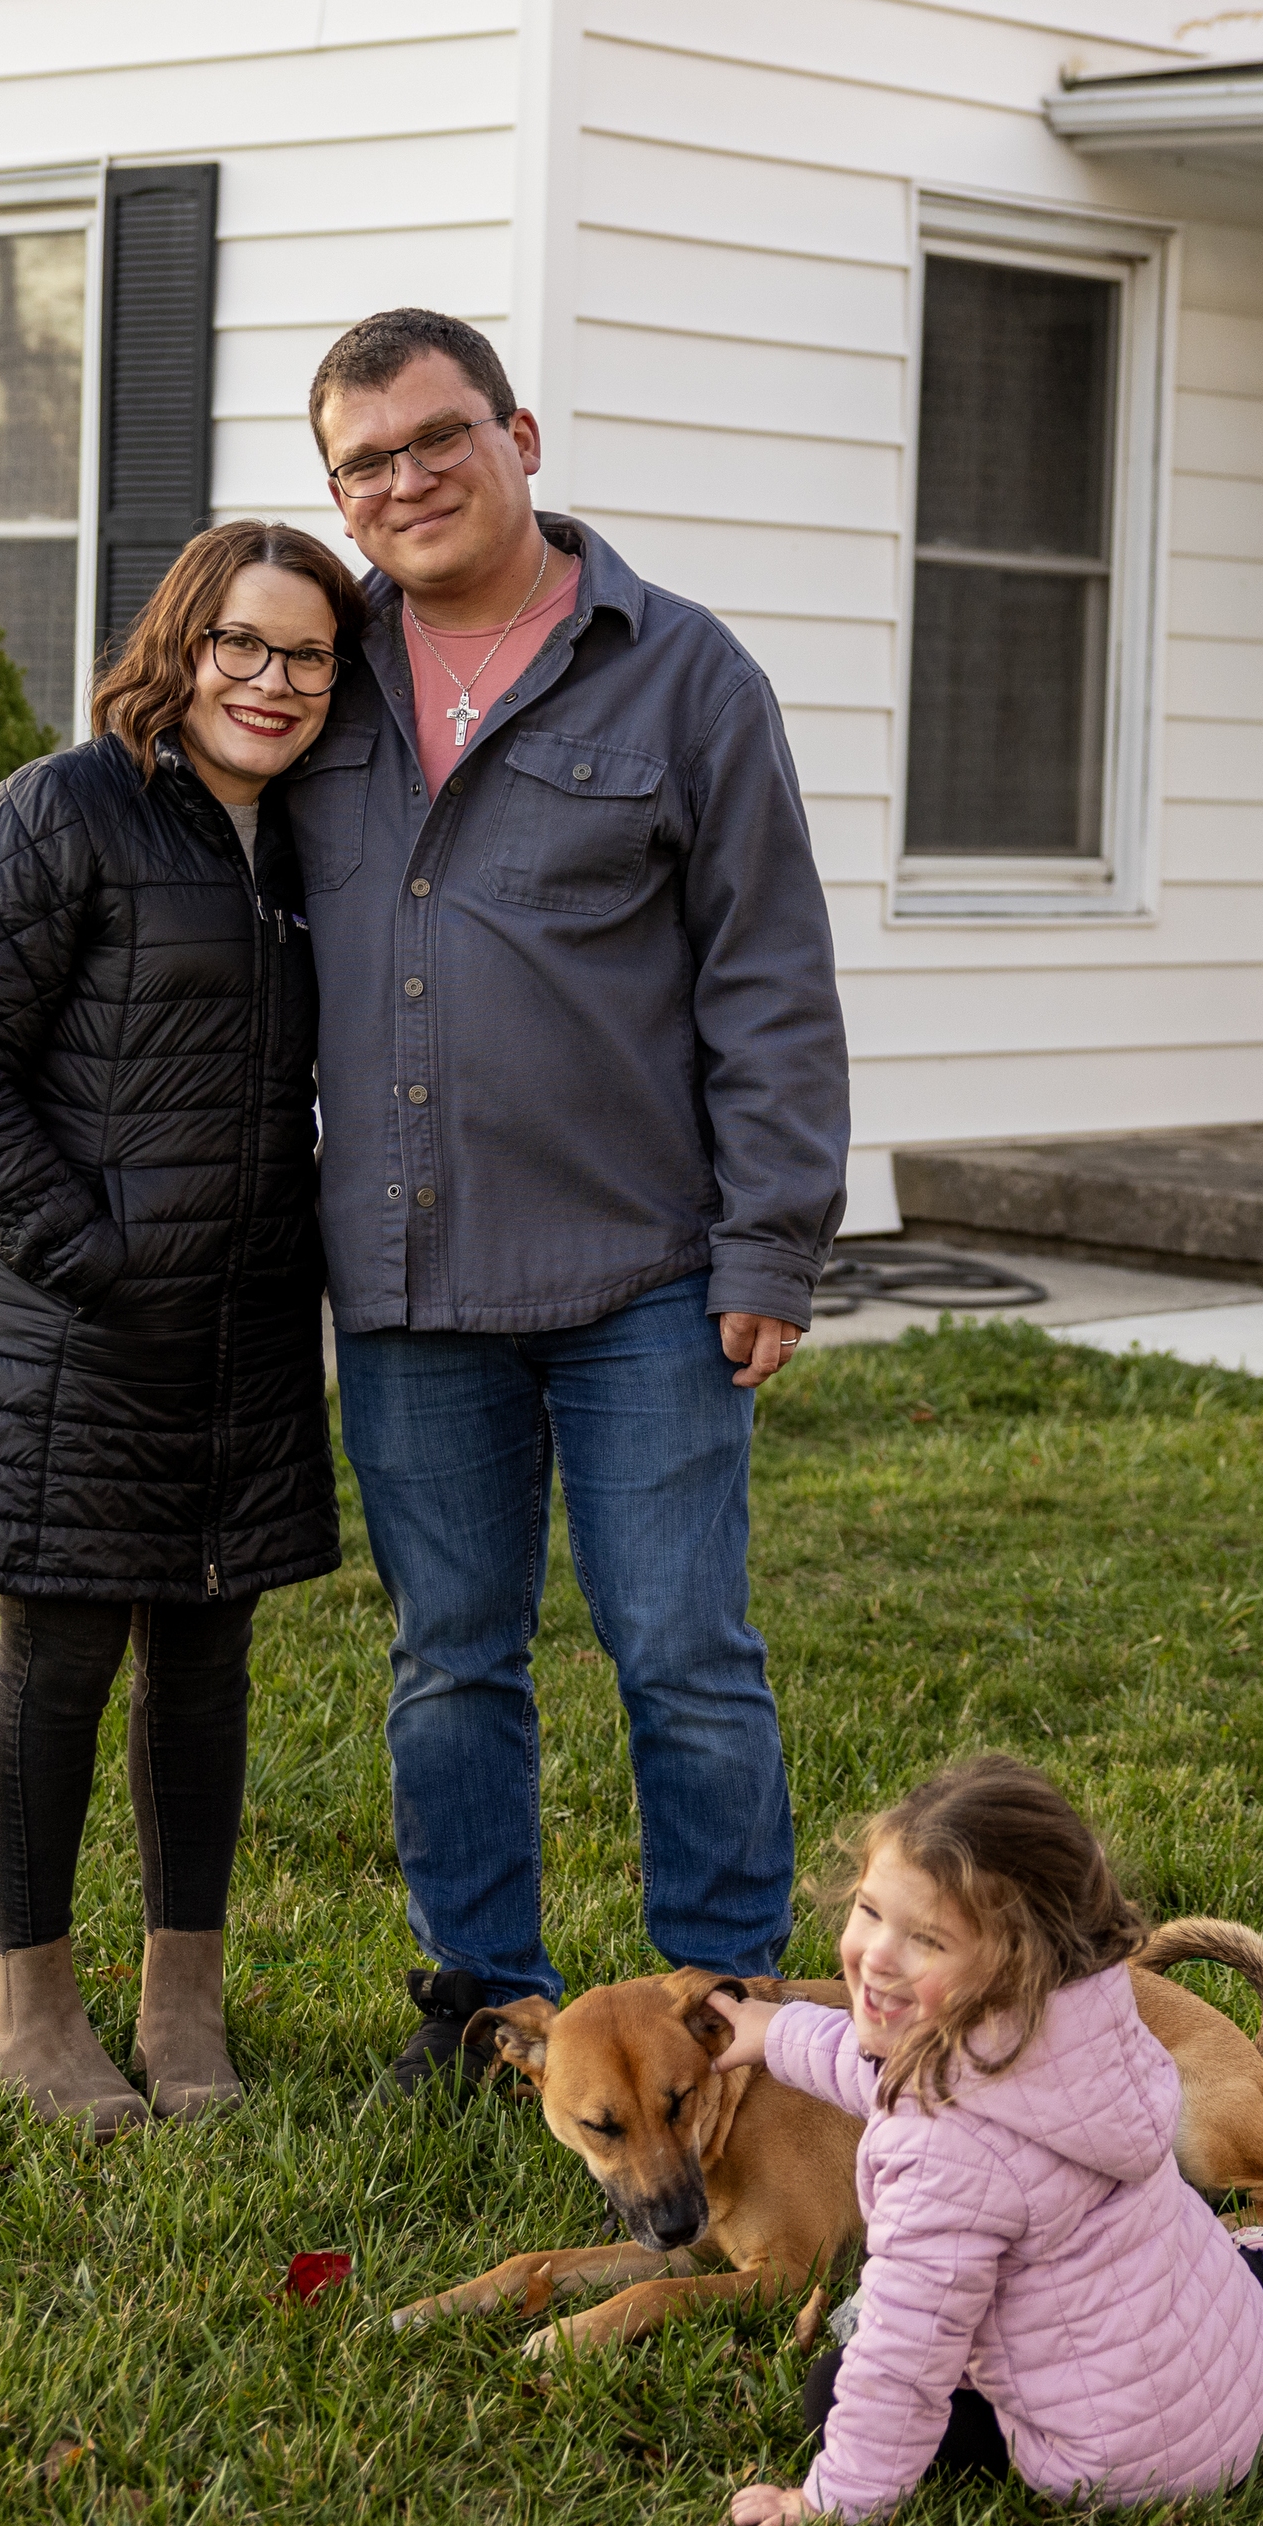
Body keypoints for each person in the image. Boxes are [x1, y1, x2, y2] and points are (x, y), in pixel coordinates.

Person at [283, 306, 849, 2086]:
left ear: (519, 436)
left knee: (681, 1650)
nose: (405, 481)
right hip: (402, 1274)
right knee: (451, 1656)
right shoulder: (316, 684)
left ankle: (725, 2013)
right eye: (363, 464)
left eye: (436, 438)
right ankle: (482, 2003)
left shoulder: (684, 679)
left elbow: (768, 975)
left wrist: (771, 1240)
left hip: (640, 1279)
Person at [0, 519, 363, 2135]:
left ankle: (183, 2003)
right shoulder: (60, 815)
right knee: (67, 1649)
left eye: (307, 655)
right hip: (76, 1325)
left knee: (210, 1655)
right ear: (182, 643)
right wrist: (94, 1258)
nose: (273, 682)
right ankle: (26, 2009)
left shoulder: (317, 847)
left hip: (241, 1333)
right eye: (242, 643)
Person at [710, 1756, 1263, 2526]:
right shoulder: (1081, 2021)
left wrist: (832, 2500)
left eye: (927, 1941)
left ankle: (1261, 2277)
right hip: (1235, 2369)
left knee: (835, 2385)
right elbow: (892, 2072)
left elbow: (905, 2361)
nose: (877, 1955)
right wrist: (771, 2030)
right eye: (871, 1912)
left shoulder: (945, 2162)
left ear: (1013, 1966)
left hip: (1125, 2459)